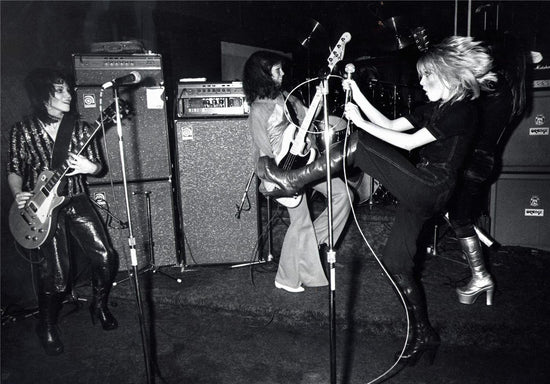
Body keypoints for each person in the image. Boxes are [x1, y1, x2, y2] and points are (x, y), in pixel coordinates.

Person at [255, 36, 496, 365]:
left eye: (427, 76)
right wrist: (359, 102)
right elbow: (393, 124)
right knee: (396, 260)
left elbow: (408, 142)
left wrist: (362, 128)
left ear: (449, 74)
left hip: (432, 185)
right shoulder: (437, 107)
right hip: (422, 186)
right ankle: (422, 332)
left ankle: (291, 179)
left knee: (359, 145)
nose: (421, 82)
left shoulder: (463, 110)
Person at [7, 68, 119, 355]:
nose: (69, 94)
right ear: (43, 95)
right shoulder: (23, 130)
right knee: (56, 275)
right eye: (61, 90)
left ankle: (99, 304)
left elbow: (99, 167)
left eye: (68, 89)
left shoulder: (81, 128)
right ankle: (45, 324)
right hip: (42, 209)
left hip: (76, 197)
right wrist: (18, 193)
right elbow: (14, 170)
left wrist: (88, 167)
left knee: (106, 256)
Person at [243, 51, 353, 293]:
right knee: (300, 221)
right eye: (277, 71)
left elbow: (308, 120)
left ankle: (310, 245)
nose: (283, 74)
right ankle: (286, 277)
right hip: (282, 171)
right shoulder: (258, 110)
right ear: (262, 75)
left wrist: (318, 103)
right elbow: (263, 151)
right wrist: (275, 179)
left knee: (343, 195)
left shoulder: (288, 98)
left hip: (307, 161)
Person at [447, 31, 529, 306]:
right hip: (485, 160)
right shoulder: (512, 88)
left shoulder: (493, 87)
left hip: (473, 161)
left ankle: (480, 276)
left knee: (456, 216)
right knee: (455, 213)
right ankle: (478, 259)